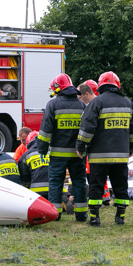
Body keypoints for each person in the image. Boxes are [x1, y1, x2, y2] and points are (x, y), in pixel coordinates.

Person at [76, 71, 133, 226]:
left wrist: (81, 145)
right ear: (117, 85)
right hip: (121, 156)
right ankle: (120, 217)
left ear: (101, 85)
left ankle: (95, 218)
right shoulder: (128, 103)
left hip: (99, 156)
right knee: (121, 186)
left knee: (96, 186)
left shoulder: (96, 103)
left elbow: (87, 128)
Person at [37, 73, 88, 221]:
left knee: (55, 182)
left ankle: (56, 214)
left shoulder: (53, 104)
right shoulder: (81, 105)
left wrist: (41, 149)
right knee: (79, 181)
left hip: (58, 154)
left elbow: (45, 131)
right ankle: (81, 214)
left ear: (58, 89)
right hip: (77, 154)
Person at [18, 131, 51, 197]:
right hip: (55, 189)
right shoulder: (51, 151)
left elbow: (25, 179)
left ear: (28, 142)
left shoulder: (25, 156)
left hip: (36, 193)